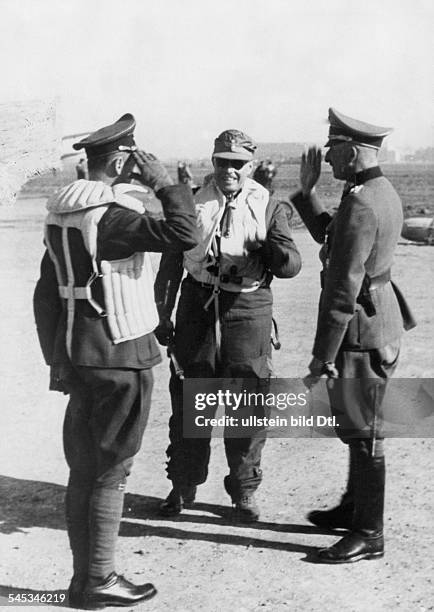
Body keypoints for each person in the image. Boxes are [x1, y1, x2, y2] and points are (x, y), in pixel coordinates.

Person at [33, 113, 198, 608]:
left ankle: (84, 579)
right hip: (120, 352)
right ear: (123, 159)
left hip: (78, 353)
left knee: (83, 468)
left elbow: (45, 294)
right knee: (111, 470)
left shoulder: (59, 213)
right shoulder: (114, 217)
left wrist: (56, 357)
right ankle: (99, 580)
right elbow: (185, 235)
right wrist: (168, 187)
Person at [154, 129, 302, 522]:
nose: (229, 171)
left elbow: (290, 264)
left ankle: (244, 490)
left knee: (247, 405)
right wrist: (162, 312)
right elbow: (171, 263)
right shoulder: (192, 204)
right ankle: (183, 485)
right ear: (213, 162)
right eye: (222, 162)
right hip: (197, 308)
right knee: (191, 401)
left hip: (247, 310)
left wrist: (262, 247)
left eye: (238, 164)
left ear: (250, 166)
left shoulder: (270, 205)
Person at [291, 108, 416, 563]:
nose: (327, 156)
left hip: (361, 328)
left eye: (333, 148)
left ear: (354, 149)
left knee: (365, 429)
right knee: (360, 423)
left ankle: (369, 533)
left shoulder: (363, 200)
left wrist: (321, 355)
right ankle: (353, 506)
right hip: (377, 320)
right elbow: (337, 238)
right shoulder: (374, 191)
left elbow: (342, 286)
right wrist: (306, 195)